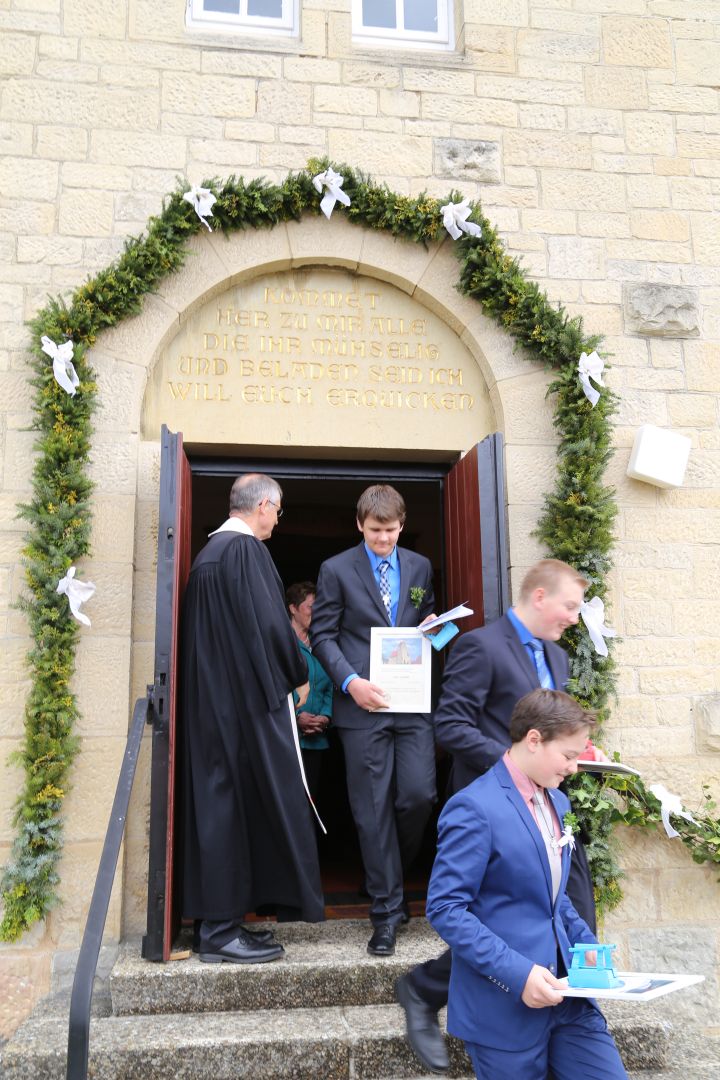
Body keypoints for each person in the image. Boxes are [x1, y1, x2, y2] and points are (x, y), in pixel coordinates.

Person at [396, 558, 600, 1074]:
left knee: (568, 904)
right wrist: (516, 772)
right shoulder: (480, 646)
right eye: (570, 606)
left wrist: (566, 762)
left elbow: (553, 733)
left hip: (550, 808)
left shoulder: (558, 657)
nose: (575, 618)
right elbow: (450, 723)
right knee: (509, 912)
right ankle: (427, 989)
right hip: (494, 809)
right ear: (539, 597)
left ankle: (569, 1012)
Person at [425, 689, 628, 1080]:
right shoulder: (474, 807)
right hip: (504, 1004)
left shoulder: (559, 802)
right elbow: (446, 909)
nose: (573, 768)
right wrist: (519, 974)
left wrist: (588, 949)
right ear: (534, 740)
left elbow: (554, 898)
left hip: (569, 999)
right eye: (568, 755)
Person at [179, 473, 325, 965]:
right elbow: (270, 627)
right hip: (240, 709)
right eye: (278, 511)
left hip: (213, 704)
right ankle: (220, 931)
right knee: (231, 807)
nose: (277, 521)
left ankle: (215, 925)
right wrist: (298, 669)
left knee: (221, 805)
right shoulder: (245, 553)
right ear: (264, 505)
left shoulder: (208, 556)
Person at [311, 484, 436, 957]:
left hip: (410, 702)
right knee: (371, 809)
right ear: (359, 525)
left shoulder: (420, 567)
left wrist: (438, 626)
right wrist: (350, 684)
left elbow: (425, 622)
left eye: (390, 531)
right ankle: (386, 911)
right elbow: (323, 636)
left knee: (418, 797)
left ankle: (387, 877)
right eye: (374, 531)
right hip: (362, 706)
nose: (383, 539)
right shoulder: (336, 569)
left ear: (402, 525)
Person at [286, 581, 333, 806]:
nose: (316, 613)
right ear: (293, 609)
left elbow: (330, 684)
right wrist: (296, 719)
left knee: (311, 803)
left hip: (316, 740)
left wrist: (325, 716)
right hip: (286, 738)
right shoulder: (282, 642)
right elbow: (276, 684)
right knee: (289, 803)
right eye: (310, 606)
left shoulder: (322, 644)